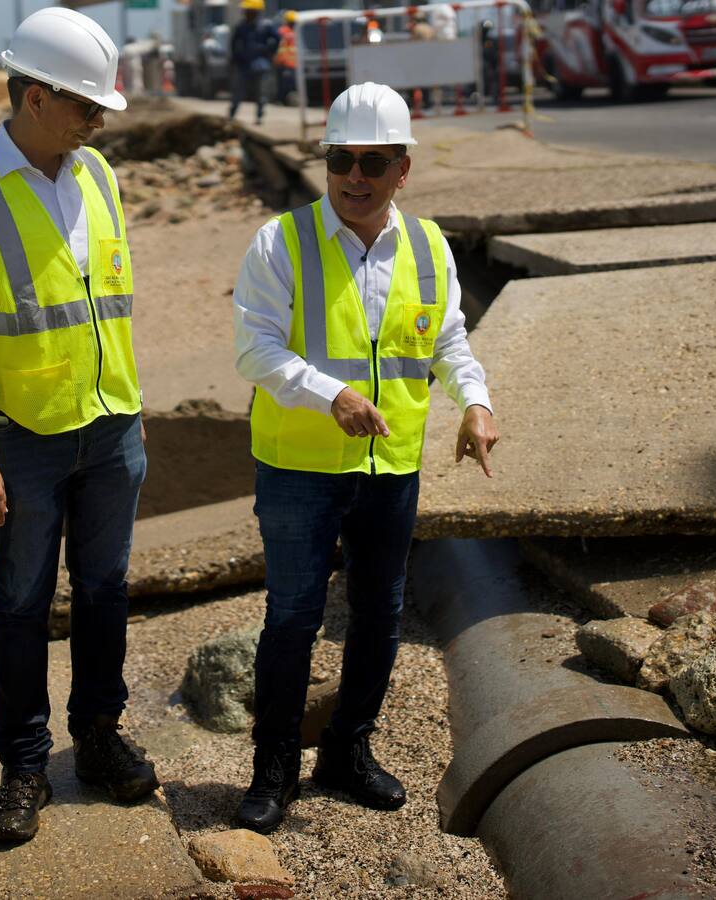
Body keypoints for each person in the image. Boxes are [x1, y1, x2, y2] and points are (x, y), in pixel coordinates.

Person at [230, 82, 498, 833]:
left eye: (372, 162)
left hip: (390, 470)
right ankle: (273, 767)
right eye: (340, 158)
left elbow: (447, 341)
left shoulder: (428, 246)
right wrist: (330, 395)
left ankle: (346, 752)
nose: (354, 175)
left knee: (379, 617)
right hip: (298, 469)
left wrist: (475, 402)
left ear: (402, 169)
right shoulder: (279, 243)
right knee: (292, 618)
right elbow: (255, 349)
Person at [0, 6, 158, 845]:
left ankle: (96, 737)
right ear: (31, 98)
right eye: (87, 107)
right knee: (20, 605)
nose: (98, 123)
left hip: (111, 427)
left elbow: (106, 306)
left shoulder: (97, 174)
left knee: (104, 594)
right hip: (21, 440)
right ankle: (24, 767)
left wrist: (132, 415)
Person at [229, 0, 280, 124]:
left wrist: (269, 51)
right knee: (238, 92)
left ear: (256, 12)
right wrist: (236, 58)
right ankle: (231, 116)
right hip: (244, 64)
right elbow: (234, 44)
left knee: (261, 92)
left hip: (261, 64)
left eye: (249, 11)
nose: (246, 13)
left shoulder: (266, 25)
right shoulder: (241, 27)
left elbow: (277, 39)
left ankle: (259, 117)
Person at [273, 9, 298, 105]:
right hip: (284, 63)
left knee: (289, 84)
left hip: (292, 63)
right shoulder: (283, 31)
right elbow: (280, 47)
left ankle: (285, 100)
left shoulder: (295, 30)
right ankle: (280, 100)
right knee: (284, 84)